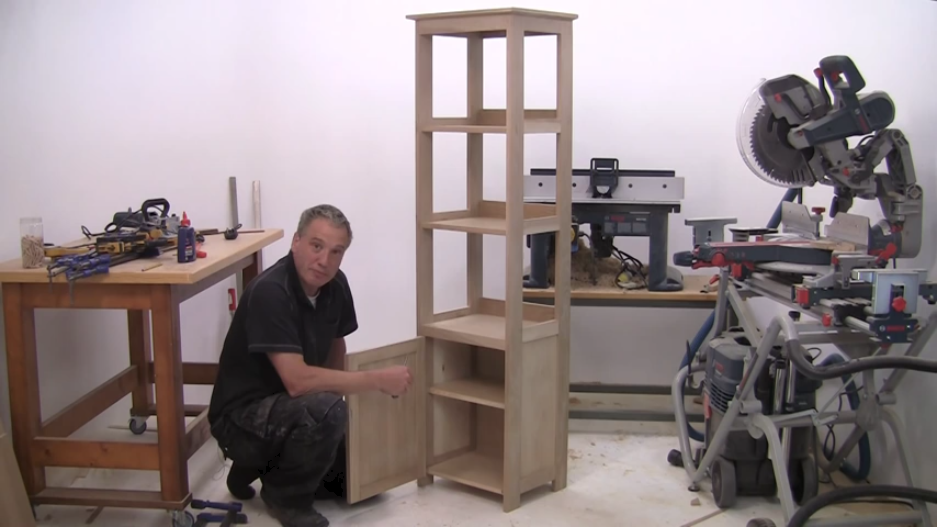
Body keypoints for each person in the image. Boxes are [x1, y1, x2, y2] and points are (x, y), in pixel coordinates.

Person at [207, 204, 413, 527]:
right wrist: (375, 380)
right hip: (240, 419)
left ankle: (259, 466)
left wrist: (334, 412)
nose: (324, 261)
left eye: (336, 252)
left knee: (355, 483)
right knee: (327, 412)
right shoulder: (270, 292)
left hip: (288, 410)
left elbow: (336, 344)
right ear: (296, 242)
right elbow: (297, 382)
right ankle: (284, 497)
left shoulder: (336, 285)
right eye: (317, 246)